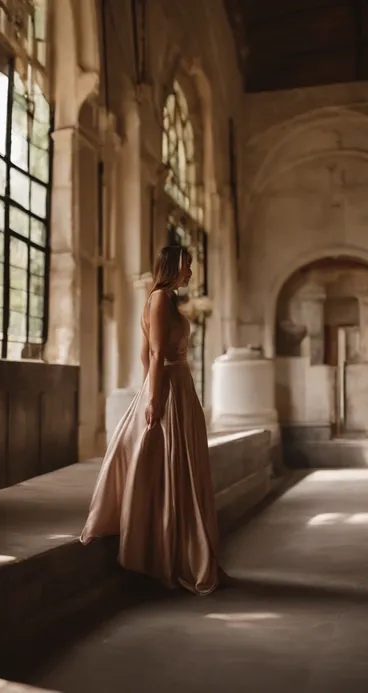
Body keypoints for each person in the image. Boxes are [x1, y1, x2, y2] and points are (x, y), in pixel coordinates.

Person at [80, 245, 231, 595]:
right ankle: (170, 556)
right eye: (187, 267)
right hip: (170, 388)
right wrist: (153, 397)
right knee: (173, 467)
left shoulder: (164, 300)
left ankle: (187, 553)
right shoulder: (160, 298)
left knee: (182, 468)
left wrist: (155, 386)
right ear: (173, 267)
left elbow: (148, 353)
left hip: (178, 387)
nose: (191, 273)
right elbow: (155, 352)